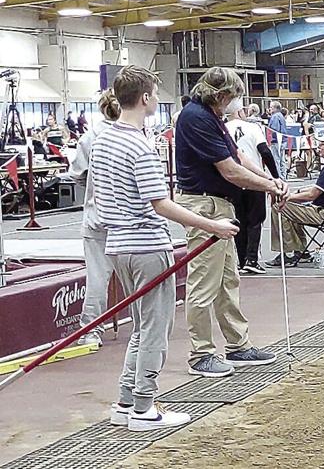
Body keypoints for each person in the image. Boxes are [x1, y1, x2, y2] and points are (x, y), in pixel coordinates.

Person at [89, 65, 240, 431]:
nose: (157, 99)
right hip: (144, 246)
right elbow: (161, 203)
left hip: (118, 246)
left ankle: (128, 401)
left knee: (142, 327)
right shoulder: (139, 146)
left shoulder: (103, 139)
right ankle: (144, 406)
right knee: (154, 328)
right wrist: (211, 226)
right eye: (155, 93)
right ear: (145, 98)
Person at [175, 66, 286, 378]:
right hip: (204, 205)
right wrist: (268, 186)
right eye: (232, 97)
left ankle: (237, 344)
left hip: (220, 205)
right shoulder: (196, 117)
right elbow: (230, 171)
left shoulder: (212, 117)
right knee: (204, 283)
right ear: (221, 95)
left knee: (227, 280)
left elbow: (238, 157)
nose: (234, 102)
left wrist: (271, 179)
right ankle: (201, 354)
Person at [70, 90, 122, 348]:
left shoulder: (89, 137)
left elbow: (77, 173)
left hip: (97, 217)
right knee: (137, 277)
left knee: (97, 278)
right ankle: (144, 326)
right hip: (126, 217)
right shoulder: (133, 135)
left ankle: (90, 331)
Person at [266, 132, 324, 266]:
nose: (318, 147)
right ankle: (301, 252)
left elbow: (312, 195)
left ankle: (288, 253)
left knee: (279, 207)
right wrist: (296, 194)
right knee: (292, 208)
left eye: (322, 144)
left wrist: (288, 197)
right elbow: (317, 189)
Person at [226, 104, 281, 275]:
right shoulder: (253, 127)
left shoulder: (222, 128)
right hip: (254, 179)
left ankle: (242, 260)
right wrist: (275, 176)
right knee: (255, 219)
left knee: (239, 219)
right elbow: (264, 151)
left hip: (232, 179)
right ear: (240, 111)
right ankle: (251, 259)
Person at [267, 101, 287, 178]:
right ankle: (283, 176)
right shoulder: (281, 116)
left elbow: (275, 129)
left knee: (276, 160)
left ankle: (278, 177)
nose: (270, 109)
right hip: (283, 140)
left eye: (271, 107)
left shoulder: (275, 116)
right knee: (282, 160)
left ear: (275, 108)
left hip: (276, 141)